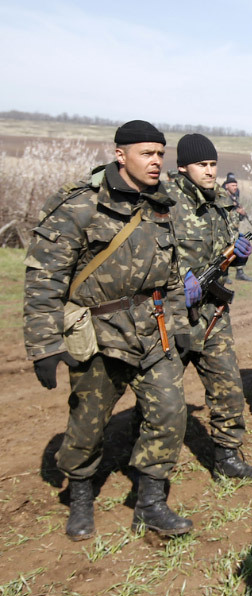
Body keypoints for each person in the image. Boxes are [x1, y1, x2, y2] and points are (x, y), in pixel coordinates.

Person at [23, 120, 196, 540]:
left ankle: (150, 503)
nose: (157, 162)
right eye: (147, 154)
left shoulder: (160, 204)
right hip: (99, 334)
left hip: (153, 331)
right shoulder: (81, 205)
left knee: (170, 413)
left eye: (161, 153)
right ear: (121, 155)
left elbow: (170, 277)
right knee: (88, 423)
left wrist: (180, 327)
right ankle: (80, 498)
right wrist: (44, 345)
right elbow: (45, 277)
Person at [164, 134, 252, 480]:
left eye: (212, 165)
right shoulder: (165, 203)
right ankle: (150, 462)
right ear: (182, 167)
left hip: (213, 312)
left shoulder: (222, 200)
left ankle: (228, 456)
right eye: (201, 165)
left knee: (228, 386)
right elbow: (151, 253)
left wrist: (236, 257)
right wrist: (180, 281)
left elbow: (222, 250)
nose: (209, 172)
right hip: (174, 313)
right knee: (162, 395)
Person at [222, 172, 252, 281]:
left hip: (234, 230)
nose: (235, 187)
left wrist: (241, 213)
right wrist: (234, 209)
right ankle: (224, 275)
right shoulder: (223, 198)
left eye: (236, 185)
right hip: (226, 230)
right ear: (227, 186)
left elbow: (238, 218)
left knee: (237, 250)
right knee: (225, 251)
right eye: (232, 185)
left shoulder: (235, 198)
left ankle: (240, 272)